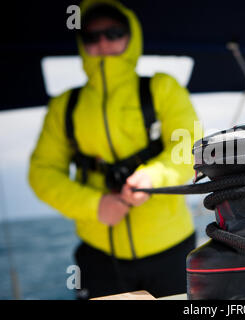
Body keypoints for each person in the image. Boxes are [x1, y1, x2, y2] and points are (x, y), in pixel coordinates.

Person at [28, 0, 200, 299]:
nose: (103, 41)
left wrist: (152, 177)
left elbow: (189, 150)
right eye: (92, 37)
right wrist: (95, 205)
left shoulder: (163, 88)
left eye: (114, 32)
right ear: (82, 44)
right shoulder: (63, 107)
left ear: (131, 36)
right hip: (99, 259)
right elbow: (41, 173)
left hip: (174, 249)